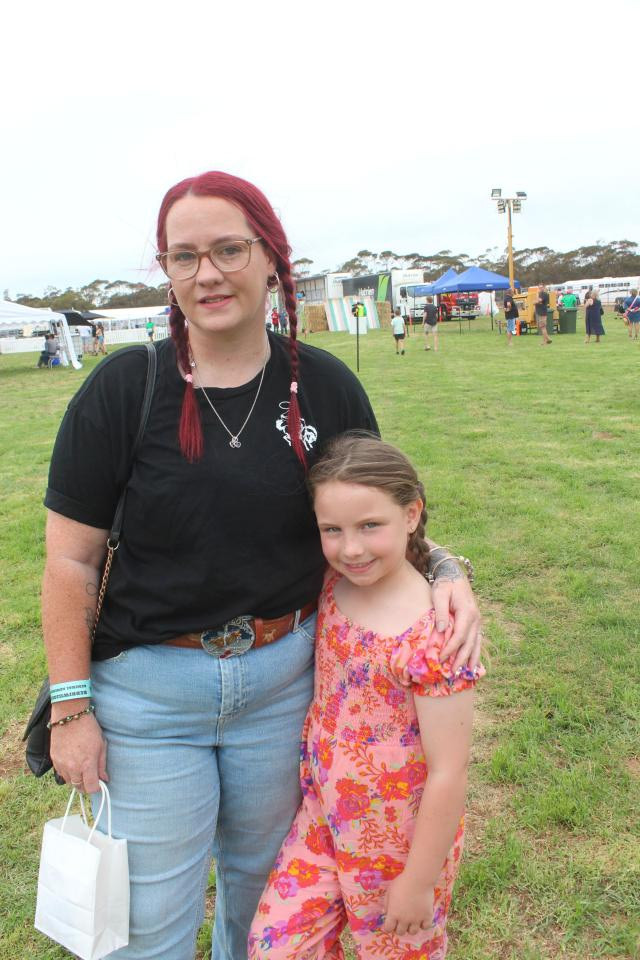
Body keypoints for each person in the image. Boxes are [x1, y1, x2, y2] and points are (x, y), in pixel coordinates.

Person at [41, 171, 482, 960]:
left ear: (272, 260)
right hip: (148, 700)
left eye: (228, 249)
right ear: (167, 273)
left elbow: (377, 516)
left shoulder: (327, 386)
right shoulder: (123, 390)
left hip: (285, 689)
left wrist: (449, 575)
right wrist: (74, 709)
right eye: (184, 257)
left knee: (268, 906)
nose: (207, 273)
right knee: (149, 925)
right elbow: (70, 563)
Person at [249, 434, 483, 960]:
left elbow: (450, 771)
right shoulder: (332, 583)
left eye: (369, 526)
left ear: (412, 513)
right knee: (277, 945)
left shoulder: (436, 637)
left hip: (399, 846)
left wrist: (419, 881)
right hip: (322, 816)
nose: (350, 548)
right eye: (332, 530)